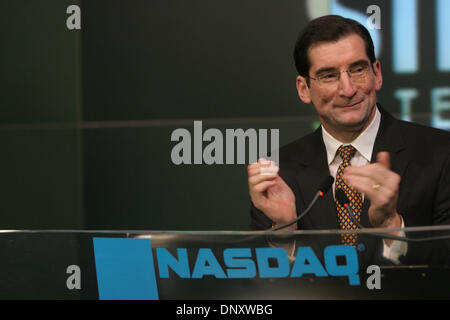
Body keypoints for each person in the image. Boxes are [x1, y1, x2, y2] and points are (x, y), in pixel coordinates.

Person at [247, 15, 450, 265]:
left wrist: (392, 227)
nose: (348, 89)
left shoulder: (441, 154)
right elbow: (255, 283)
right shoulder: (279, 171)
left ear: (376, 73)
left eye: (357, 69)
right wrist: (283, 232)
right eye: (329, 75)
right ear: (304, 89)